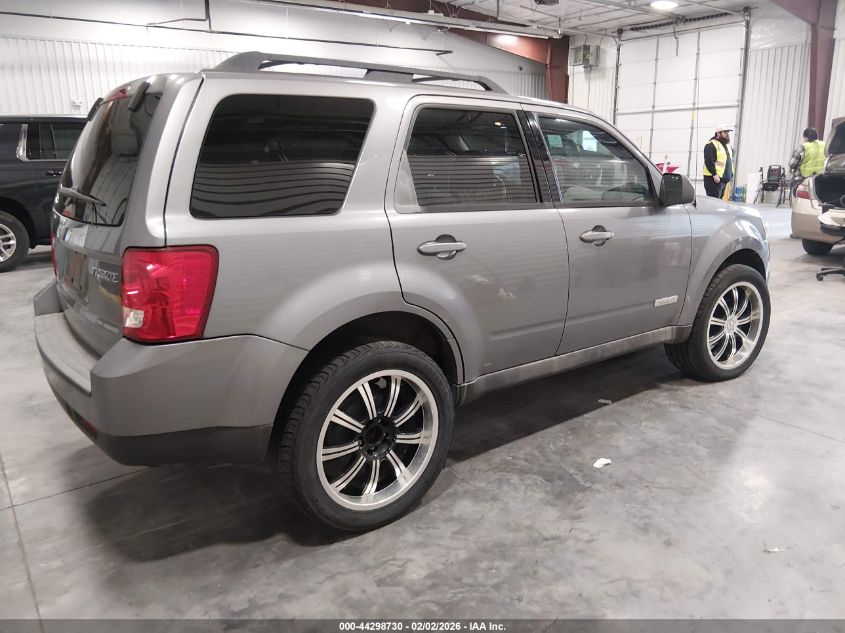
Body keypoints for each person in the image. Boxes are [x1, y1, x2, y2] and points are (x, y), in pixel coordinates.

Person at [703, 124, 735, 199]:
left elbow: (729, 160)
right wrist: (714, 174)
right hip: (714, 179)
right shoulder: (711, 145)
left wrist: (731, 174)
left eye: (728, 133)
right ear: (718, 133)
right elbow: (709, 161)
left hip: (724, 179)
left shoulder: (727, 146)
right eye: (725, 133)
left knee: (719, 201)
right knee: (713, 201)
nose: (727, 135)